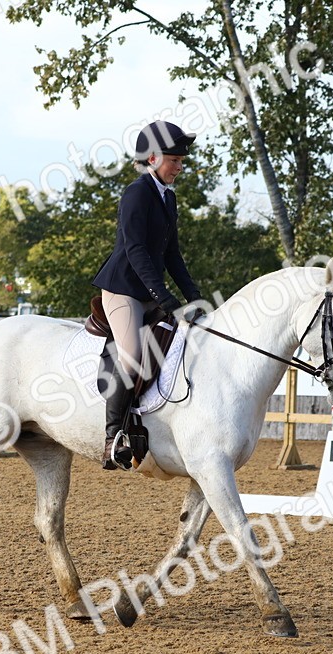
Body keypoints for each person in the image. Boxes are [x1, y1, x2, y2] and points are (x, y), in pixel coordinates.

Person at [91, 121, 203, 470]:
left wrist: (194, 296)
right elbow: (137, 250)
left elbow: (173, 255)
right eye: (174, 160)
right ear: (153, 158)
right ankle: (113, 437)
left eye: (181, 160)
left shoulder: (168, 197)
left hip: (149, 291)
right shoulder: (136, 193)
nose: (180, 166)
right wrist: (165, 297)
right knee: (132, 356)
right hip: (124, 289)